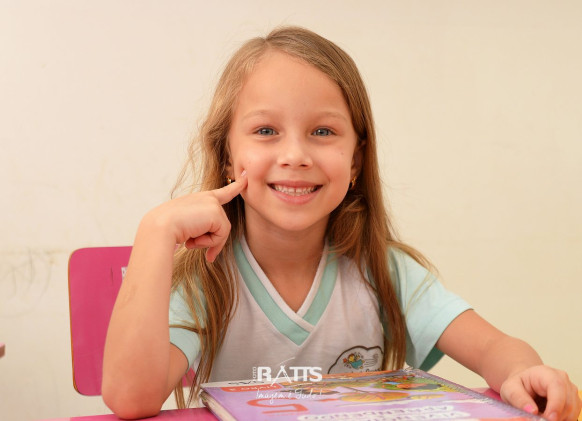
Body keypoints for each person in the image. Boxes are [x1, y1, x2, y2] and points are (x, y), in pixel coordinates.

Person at [102, 26, 581, 420]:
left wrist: (523, 372)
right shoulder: (206, 278)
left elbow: (496, 347)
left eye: (322, 131)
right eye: (266, 131)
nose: (295, 155)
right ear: (227, 156)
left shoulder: (385, 271)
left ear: (355, 160)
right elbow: (130, 398)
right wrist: (155, 232)